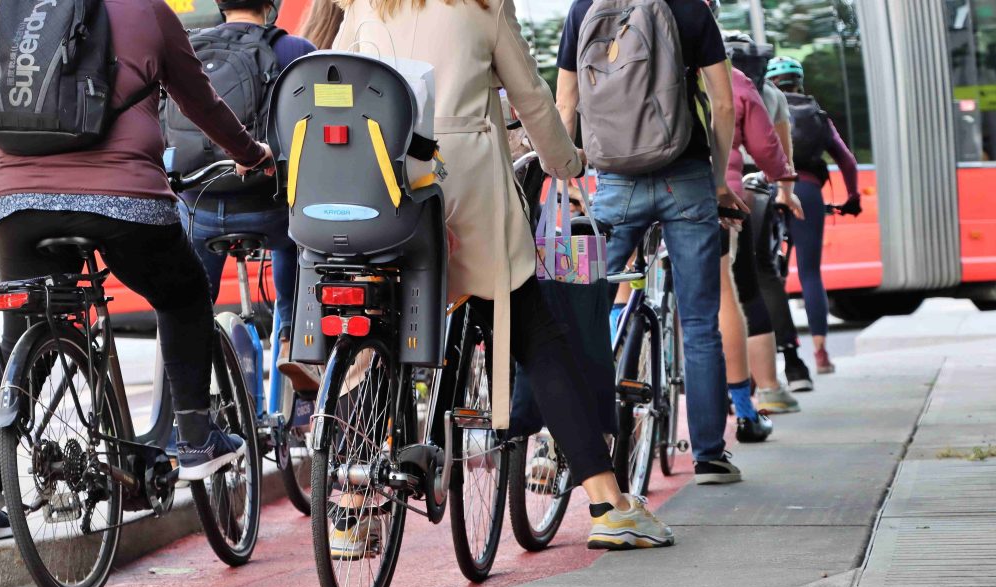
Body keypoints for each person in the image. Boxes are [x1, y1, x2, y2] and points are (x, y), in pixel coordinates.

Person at [333, 0, 674, 551]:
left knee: (380, 332)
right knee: (535, 332)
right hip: (462, 186)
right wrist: (568, 163)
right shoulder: (481, 6)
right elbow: (532, 99)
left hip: (380, 181)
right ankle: (608, 502)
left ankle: (349, 510)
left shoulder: (366, 5)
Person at [0, 0, 273, 543]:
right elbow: (201, 103)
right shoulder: (148, 12)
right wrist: (252, 153)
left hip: (14, 204)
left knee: (21, 340)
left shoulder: (21, 11)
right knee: (182, 295)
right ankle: (197, 437)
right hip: (122, 200)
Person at [557, 0, 747, 484]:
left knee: (572, 305)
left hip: (612, 185)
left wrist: (568, 187)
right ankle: (708, 455)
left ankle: (560, 444)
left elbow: (564, 105)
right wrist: (720, 180)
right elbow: (723, 104)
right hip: (686, 180)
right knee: (701, 322)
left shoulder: (583, 9)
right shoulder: (691, 8)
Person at [176, 0, 319, 393]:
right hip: (267, 209)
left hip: (199, 205)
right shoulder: (295, 52)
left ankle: (188, 353)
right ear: (271, 5)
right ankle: (291, 339)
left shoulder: (189, 48)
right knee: (299, 233)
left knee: (189, 298)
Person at [720, 32, 802, 427]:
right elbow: (776, 151)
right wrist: (785, 188)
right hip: (737, 197)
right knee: (746, 289)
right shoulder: (758, 88)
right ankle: (765, 388)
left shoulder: (673, 72)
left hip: (648, 190)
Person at [766, 57, 861, 374]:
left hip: (768, 194)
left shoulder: (761, 108)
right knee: (809, 273)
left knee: (768, 276)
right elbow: (847, 160)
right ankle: (820, 354)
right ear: (799, 82)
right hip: (807, 193)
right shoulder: (817, 115)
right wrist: (852, 197)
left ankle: (779, 354)